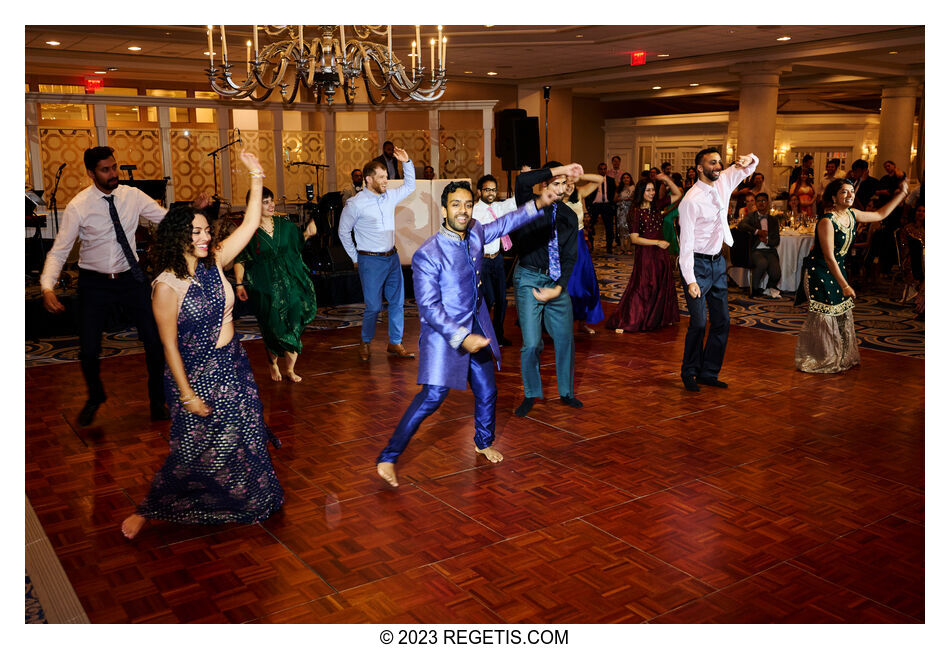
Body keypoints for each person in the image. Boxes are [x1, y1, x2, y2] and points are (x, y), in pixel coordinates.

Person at [120, 152, 283, 539]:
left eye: (206, 230)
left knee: (244, 432)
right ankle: (150, 509)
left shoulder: (216, 262)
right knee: (193, 450)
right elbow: (168, 347)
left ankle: (248, 497)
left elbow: (251, 222)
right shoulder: (166, 285)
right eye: (196, 232)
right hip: (197, 375)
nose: (205, 236)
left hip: (234, 365)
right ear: (178, 235)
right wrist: (188, 394)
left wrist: (257, 174)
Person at [375, 181, 558, 488]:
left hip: (477, 327)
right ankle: (388, 457)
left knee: (487, 391)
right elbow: (430, 309)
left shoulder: (475, 232)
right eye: (456, 205)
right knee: (432, 398)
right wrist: (462, 337)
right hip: (443, 336)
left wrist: (540, 202)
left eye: (468, 204)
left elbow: (505, 223)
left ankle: (482, 442)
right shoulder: (427, 254)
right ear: (444, 209)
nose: (463, 211)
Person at [39, 146, 208, 427]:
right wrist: (47, 287)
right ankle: (95, 397)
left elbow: (165, 219)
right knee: (89, 349)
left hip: (131, 279)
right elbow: (59, 251)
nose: (113, 173)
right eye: (105, 170)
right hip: (94, 283)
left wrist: (193, 211)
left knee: (155, 342)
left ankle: (157, 401)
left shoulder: (132, 196)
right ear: (91, 173)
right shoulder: (79, 206)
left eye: (114, 167)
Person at [795, 177, 908, 373]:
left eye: (851, 192)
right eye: (844, 192)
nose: (849, 195)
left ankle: (841, 357)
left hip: (838, 270)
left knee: (841, 314)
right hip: (821, 271)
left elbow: (880, 214)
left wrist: (902, 194)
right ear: (834, 197)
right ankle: (822, 359)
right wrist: (845, 284)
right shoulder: (826, 221)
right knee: (826, 315)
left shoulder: (853, 214)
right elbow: (829, 257)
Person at [679, 147, 758, 392]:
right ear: (700, 168)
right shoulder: (690, 201)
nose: (719, 166)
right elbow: (686, 244)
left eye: (720, 162)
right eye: (713, 163)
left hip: (718, 262)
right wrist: (690, 278)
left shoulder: (723, 181)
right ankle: (689, 372)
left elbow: (750, 167)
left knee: (722, 320)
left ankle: (708, 372)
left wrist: (750, 158)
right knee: (700, 323)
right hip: (697, 264)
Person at [510, 161, 585, 417]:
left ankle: (566, 392)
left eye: (565, 183)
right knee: (531, 343)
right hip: (529, 278)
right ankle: (531, 393)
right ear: (545, 183)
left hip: (555, 284)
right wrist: (559, 169)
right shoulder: (528, 204)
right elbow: (521, 181)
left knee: (565, 340)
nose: (562, 188)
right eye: (556, 182)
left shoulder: (569, 216)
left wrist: (559, 288)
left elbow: (569, 257)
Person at [338, 146, 416, 361]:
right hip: (369, 261)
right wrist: (356, 257)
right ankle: (365, 341)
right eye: (381, 177)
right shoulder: (355, 204)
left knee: (397, 302)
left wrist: (406, 162)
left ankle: (395, 342)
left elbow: (410, 185)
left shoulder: (390, 196)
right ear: (368, 179)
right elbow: (343, 231)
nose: (386, 181)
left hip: (392, 257)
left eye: (387, 177)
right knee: (373, 306)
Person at [233, 187, 318, 382]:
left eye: (271, 200)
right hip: (265, 288)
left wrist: (307, 234)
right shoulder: (248, 231)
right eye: (265, 202)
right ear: (254, 206)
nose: (271, 205)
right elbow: (240, 259)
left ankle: (290, 369)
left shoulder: (285, 226)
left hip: (291, 284)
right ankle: (272, 363)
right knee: (273, 328)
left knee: (294, 321)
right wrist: (239, 284)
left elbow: (296, 246)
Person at [606, 174, 682, 333]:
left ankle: (656, 318)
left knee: (661, 284)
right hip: (647, 253)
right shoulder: (636, 212)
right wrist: (657, 243)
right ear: (641, 192)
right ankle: (634, 318)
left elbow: (677, 194)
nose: (652, 193)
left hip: (660, 253)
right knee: (643, 286)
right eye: (648, 190)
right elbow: (634, 239)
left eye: (653, 190)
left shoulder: (657, 206)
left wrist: (667, 180)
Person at [472, 174, 518, 346]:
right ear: (479, 191)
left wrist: (525, 176)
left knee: (502, 300)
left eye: (493, 189)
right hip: (482, 261)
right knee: (488, 299)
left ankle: (498, 336)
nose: (491, 193)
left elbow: (516, 201)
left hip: (497, 259)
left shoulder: (498, 207)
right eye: (487, 189)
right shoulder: (474, 211)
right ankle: (482, 334)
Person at [564, 175, 606, 335]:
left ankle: (582, 323)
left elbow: (600, 180)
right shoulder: (556, 200)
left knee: (585, 283)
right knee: (570, 285)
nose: (570, 187)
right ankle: (563, 324)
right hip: (564, 245)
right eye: (566, 184)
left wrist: (578, 175)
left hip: (580, 243)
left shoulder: (579, 193)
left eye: (572, 183)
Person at [738, 192, 782, 298]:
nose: (761, 203)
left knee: (776, 273)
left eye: (763, 201)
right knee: (762, 263)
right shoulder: (751, 216)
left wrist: (766, 240)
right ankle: (755, 289)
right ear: (756, 204)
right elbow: (741, 225)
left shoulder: (773, 220)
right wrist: (757, 232)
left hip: (770, 250)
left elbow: (776, 240)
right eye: (758, 201)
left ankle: (769, 288)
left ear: (767, 203)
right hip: (756, 250)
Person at [584, 162, 616, 254]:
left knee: (609, 227)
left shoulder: (611, 180)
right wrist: (588, 207)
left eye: (604, 168)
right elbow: (587, 194)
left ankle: (609, 247)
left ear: (606, 170)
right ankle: (590, 246)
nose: (603, 170)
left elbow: (614, 193)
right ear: (598, 170)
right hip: (595, 205)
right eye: (601, 169)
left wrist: (612, 205)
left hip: (606, 205)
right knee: (590, 226)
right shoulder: (593, 180)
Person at [613, 172, 636, 254]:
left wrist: (631, 199)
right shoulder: (619, 189)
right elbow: (614, 199)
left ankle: (629, 248)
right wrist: (622, 199)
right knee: (621, 228)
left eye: (627, 177)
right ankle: (622, 248)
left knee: (630, 228)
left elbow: (637, 200)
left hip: (630, 210)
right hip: (621, 210)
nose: (626, 179)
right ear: (622, 180)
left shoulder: (634, 188)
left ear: (630, 179)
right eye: (624, 178)